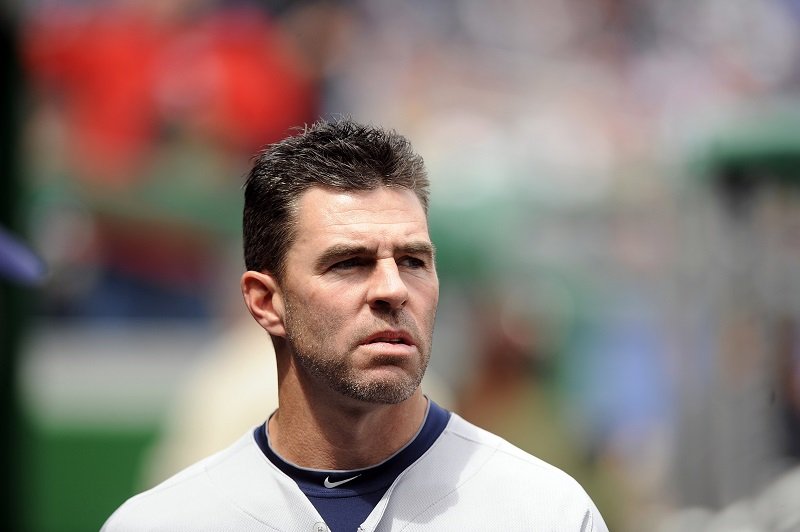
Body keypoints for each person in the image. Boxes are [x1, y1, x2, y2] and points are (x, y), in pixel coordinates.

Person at [102, 118, 608, 531]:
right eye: (349, 263)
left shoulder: (545, 512)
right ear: (265, 301)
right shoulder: (164, 521)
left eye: (413, 261)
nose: (393, 289)